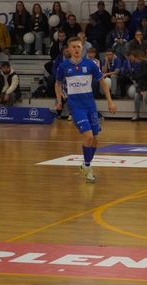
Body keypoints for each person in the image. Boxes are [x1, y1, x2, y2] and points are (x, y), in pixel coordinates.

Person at [55, 36, 116, 183]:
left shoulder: (90, 64)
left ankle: (86, 165)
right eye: (74, 47)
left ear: (82, 49)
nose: (76, 49)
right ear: (68, 49)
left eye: (79, 47)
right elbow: (57, 84)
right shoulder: (63, 67)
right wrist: (59, 100)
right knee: (88, 136)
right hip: (76, 107)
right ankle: (87, 168)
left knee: (95, 138)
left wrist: (110, 101)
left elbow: (102, 82)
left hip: (90, 106)